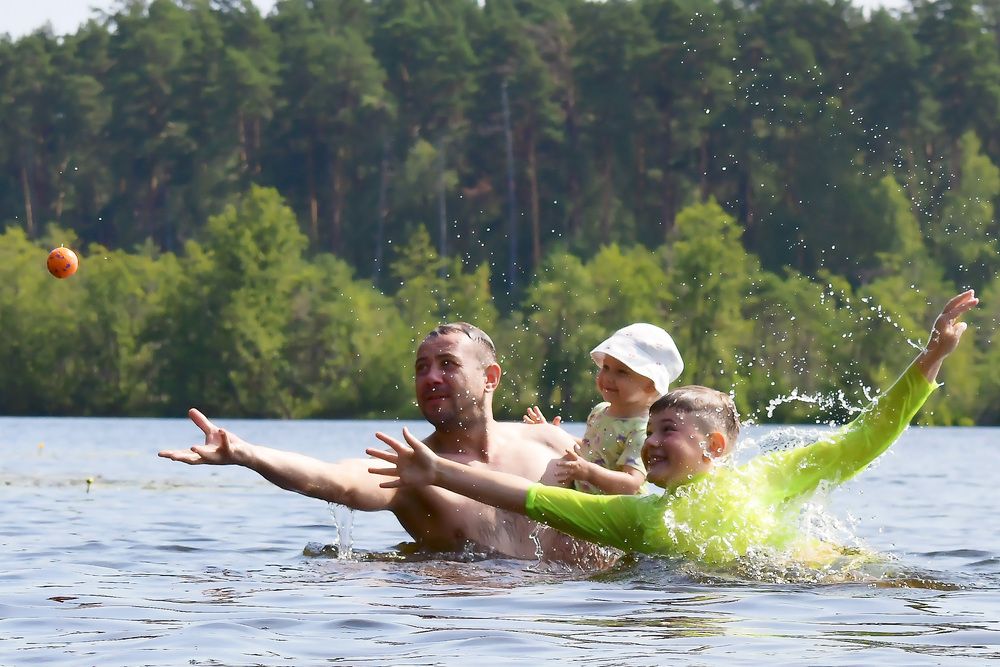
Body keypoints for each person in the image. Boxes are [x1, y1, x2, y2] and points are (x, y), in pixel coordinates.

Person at [367, 291, 978, 566]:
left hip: (803, 583)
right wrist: (439, 470)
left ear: (714, 446)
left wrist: (932, 358)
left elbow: (866, 437)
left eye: (667, 434)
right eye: (649, 431)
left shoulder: (770, 477)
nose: (650, 444)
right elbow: (532, 500)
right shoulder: (641, 518)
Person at [159, 322, 600, 562]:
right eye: (421, 368)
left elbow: (626, 493)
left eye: (447, 364)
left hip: (562, 624)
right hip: (467, 627)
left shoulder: (549, 439)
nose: (430, 377)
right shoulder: (410, 470)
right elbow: (338, 481)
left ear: (490, 378)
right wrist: (246, 453)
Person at [524, 323, 682, 495]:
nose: (607, 377)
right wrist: (552, 433)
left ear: (651, 384)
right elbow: (592, 448)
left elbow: (632, 485)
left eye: (622, 372)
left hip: (616, 514)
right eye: (606, 367)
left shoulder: (641, 430)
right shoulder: (601, 411)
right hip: (587, 502)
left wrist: (588, 472)